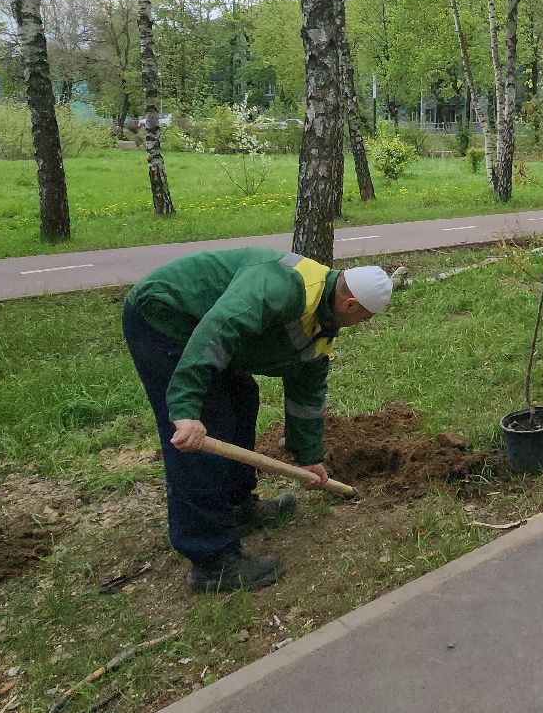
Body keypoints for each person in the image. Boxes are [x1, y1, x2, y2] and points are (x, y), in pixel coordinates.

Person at [123, 248, 392, 592]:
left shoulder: (322, 321)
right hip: (166, 313)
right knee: (207, 426)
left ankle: (237, 507)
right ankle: (211, 560)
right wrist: (187, 408)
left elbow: (306, 396)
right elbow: (218, 330)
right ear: (351, 305)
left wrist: (308, 458)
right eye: (364, 318)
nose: (361, 325)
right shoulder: (283, 286)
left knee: (242, 399)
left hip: (206, 324)